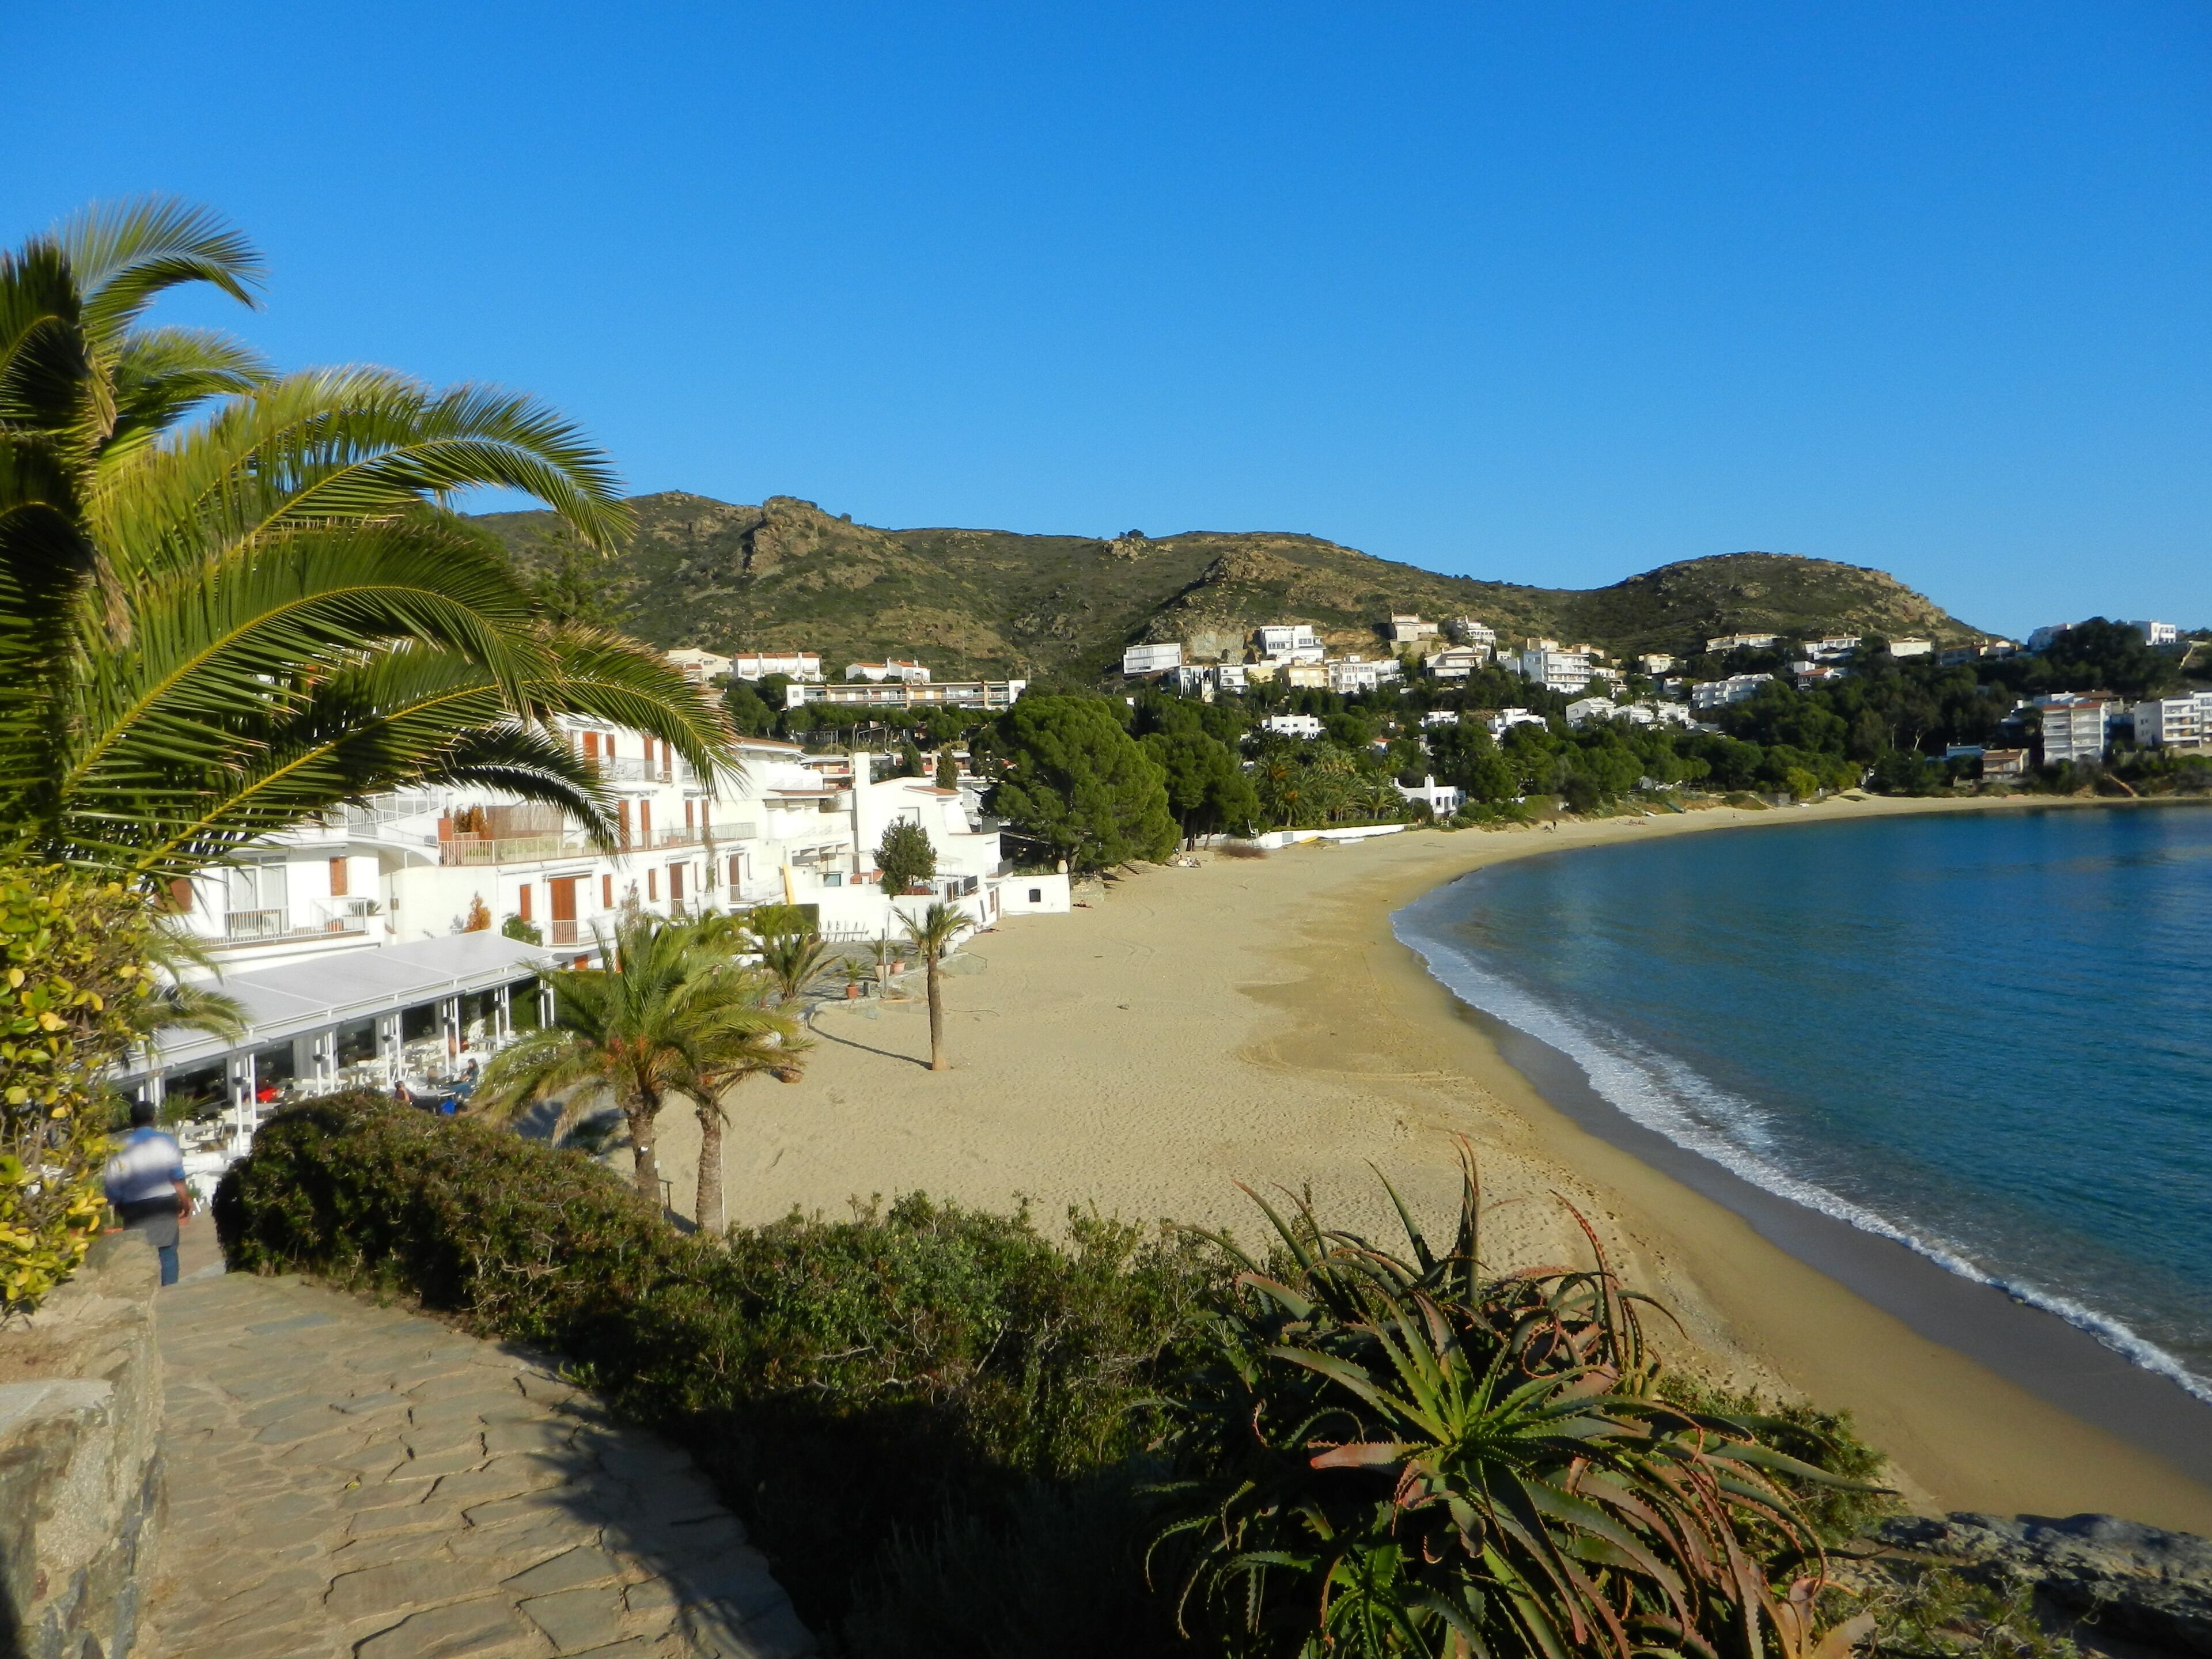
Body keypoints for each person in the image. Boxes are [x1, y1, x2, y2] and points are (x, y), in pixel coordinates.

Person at [103, 1101, 192, 1286]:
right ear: (153, 1118)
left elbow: (112, 1185)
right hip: (164, 1204)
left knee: (139, 1254)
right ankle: (170, 1292)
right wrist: (185, 1200)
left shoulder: (120, 1148)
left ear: (131, 1121)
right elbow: (177, 1176)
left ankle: (146, 1292)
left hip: (134, 1208)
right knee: (168, 1253)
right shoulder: (166, 1142)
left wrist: (117, 1203)